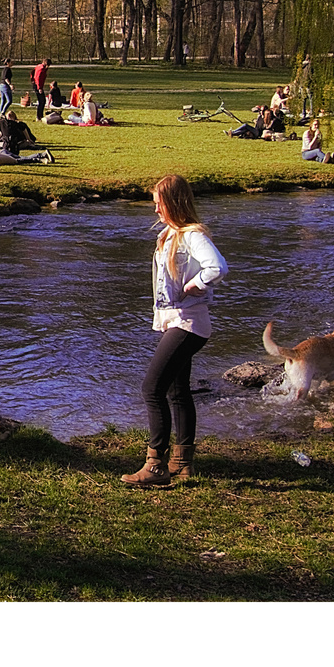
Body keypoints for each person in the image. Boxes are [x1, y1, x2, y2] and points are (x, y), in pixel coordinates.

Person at [122, 174, 227, 488]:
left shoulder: (192, 235)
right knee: (177, 392)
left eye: (159, 204)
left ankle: (155, 465)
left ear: (174, 203)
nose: (155, 211)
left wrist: (196, 284)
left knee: (151, 389)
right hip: (178, 322)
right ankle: (182, 463)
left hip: (188, 325)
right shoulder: (169, 235)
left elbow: (218, 267)